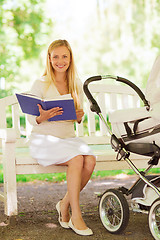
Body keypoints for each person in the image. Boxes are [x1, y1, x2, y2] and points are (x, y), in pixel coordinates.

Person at [27, 39, 96, 236]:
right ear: (49, 59)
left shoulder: (76, 83)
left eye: (64, 56)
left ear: (70, 58)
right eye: (55, 56)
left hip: (68, 139)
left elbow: (77, 116)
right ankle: (76, 215)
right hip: (44, 140)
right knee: (76, 158)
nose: (60, 60)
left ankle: (64, 204)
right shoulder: (40, 83)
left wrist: (79, 116)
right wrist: (43, 117)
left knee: (89, 160)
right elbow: (32, 119)